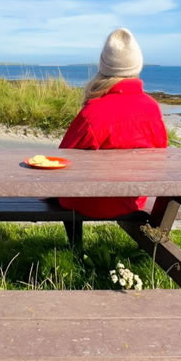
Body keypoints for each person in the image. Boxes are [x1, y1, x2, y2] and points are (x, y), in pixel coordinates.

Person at [58, 28, 168, 219]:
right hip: (132, 200)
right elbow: (160, 153)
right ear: (137, 66)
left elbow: (64, 158)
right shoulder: (153, 108)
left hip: (87, 202)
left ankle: (75, 245)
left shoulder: (92, 113)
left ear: (103, 67)